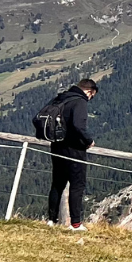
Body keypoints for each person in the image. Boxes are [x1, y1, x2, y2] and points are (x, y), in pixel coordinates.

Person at [41, 78, 98, 228]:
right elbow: (78, 125)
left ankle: (51, 220)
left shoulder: (62, 98)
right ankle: (76, 224)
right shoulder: (80, 101)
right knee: (77, 185)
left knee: (57, 184)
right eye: (92, 96)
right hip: (74, 149)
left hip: (57, 146)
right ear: (89, 91)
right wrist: (88, 141)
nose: (90, 99)